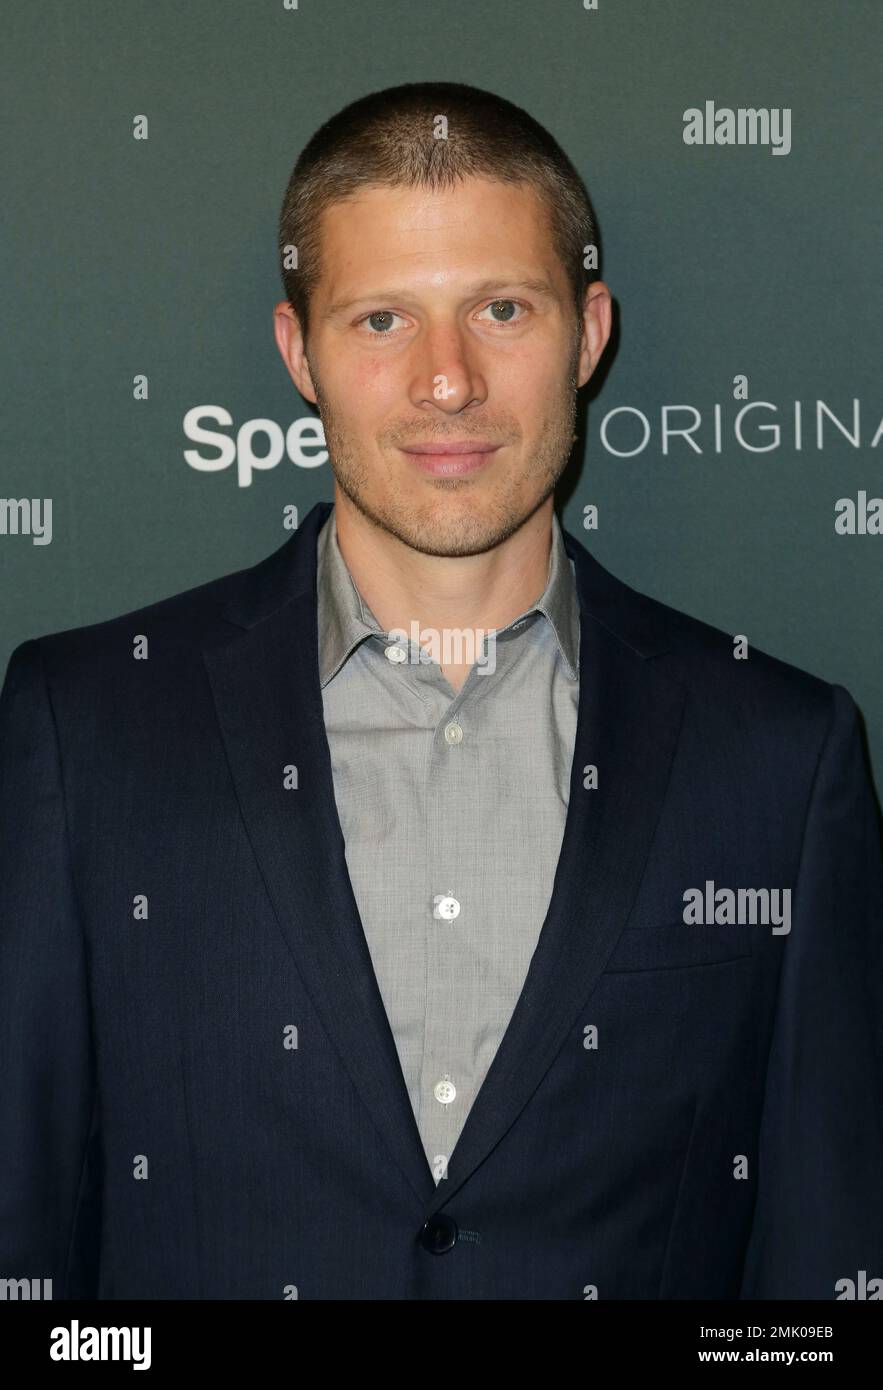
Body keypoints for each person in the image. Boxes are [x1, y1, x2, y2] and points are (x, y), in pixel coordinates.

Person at [1, 81, 881, 1300]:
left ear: (587, 332)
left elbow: (819, 1275)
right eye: (380, 323)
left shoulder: (781, 756)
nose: (447, 381)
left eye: (501, 309)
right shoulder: (83, 724)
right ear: (297, 351)